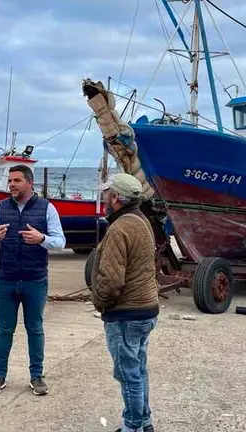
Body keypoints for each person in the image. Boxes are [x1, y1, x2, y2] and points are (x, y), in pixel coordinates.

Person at [0, 164, 65, 396]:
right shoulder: (0, 207)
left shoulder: (47, 208)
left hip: (34, 279)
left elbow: (60, 242)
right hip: (6, 278)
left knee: (35, 328)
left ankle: (37, 376)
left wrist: (41, 239)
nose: (11, 185)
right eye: (10, 181)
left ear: (29, 182)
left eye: (16, 180)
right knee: (4, 328)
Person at [89, 173, 159, 432]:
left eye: (107, 194)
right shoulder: (142, 221)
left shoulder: (119, 228)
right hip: (145, 310)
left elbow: (112, 280)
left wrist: (100, 301)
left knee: (128, 374)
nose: (105, 198)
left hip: (125, 314)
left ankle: (132, 426)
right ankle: (145, 422)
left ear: (116, 197)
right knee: (139, 370)